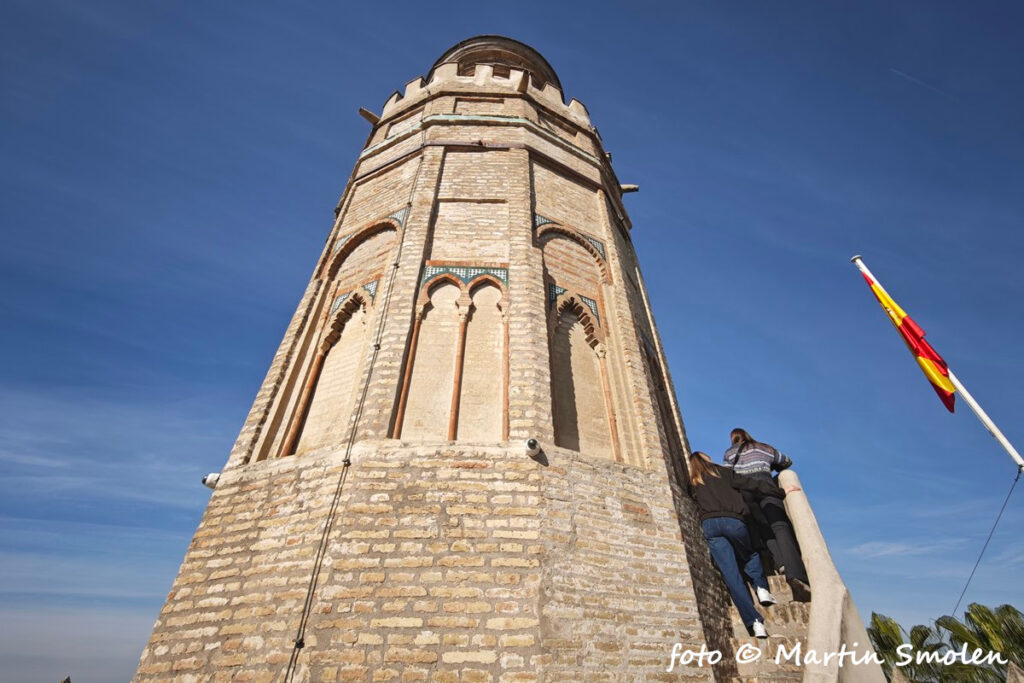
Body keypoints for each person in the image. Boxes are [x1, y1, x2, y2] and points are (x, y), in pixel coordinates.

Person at [688, 450, 782, 638]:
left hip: (710, 525)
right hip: (733, 520)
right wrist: (779, 492)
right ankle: (761, 589)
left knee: (731, 575)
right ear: (707, 459)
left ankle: (755, 623)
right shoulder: (724, 472)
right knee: (750, 554)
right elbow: (752, 484)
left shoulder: (693, 482)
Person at [724, 428, 810, 600]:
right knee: (780, 526)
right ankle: (795, 572)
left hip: (746, 490)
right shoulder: (764, 448)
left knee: (764, 529)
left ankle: (781, 563)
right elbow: (786, 461)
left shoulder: (730, 453)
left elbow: (728, 475)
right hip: (767, 485)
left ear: (733, 439)